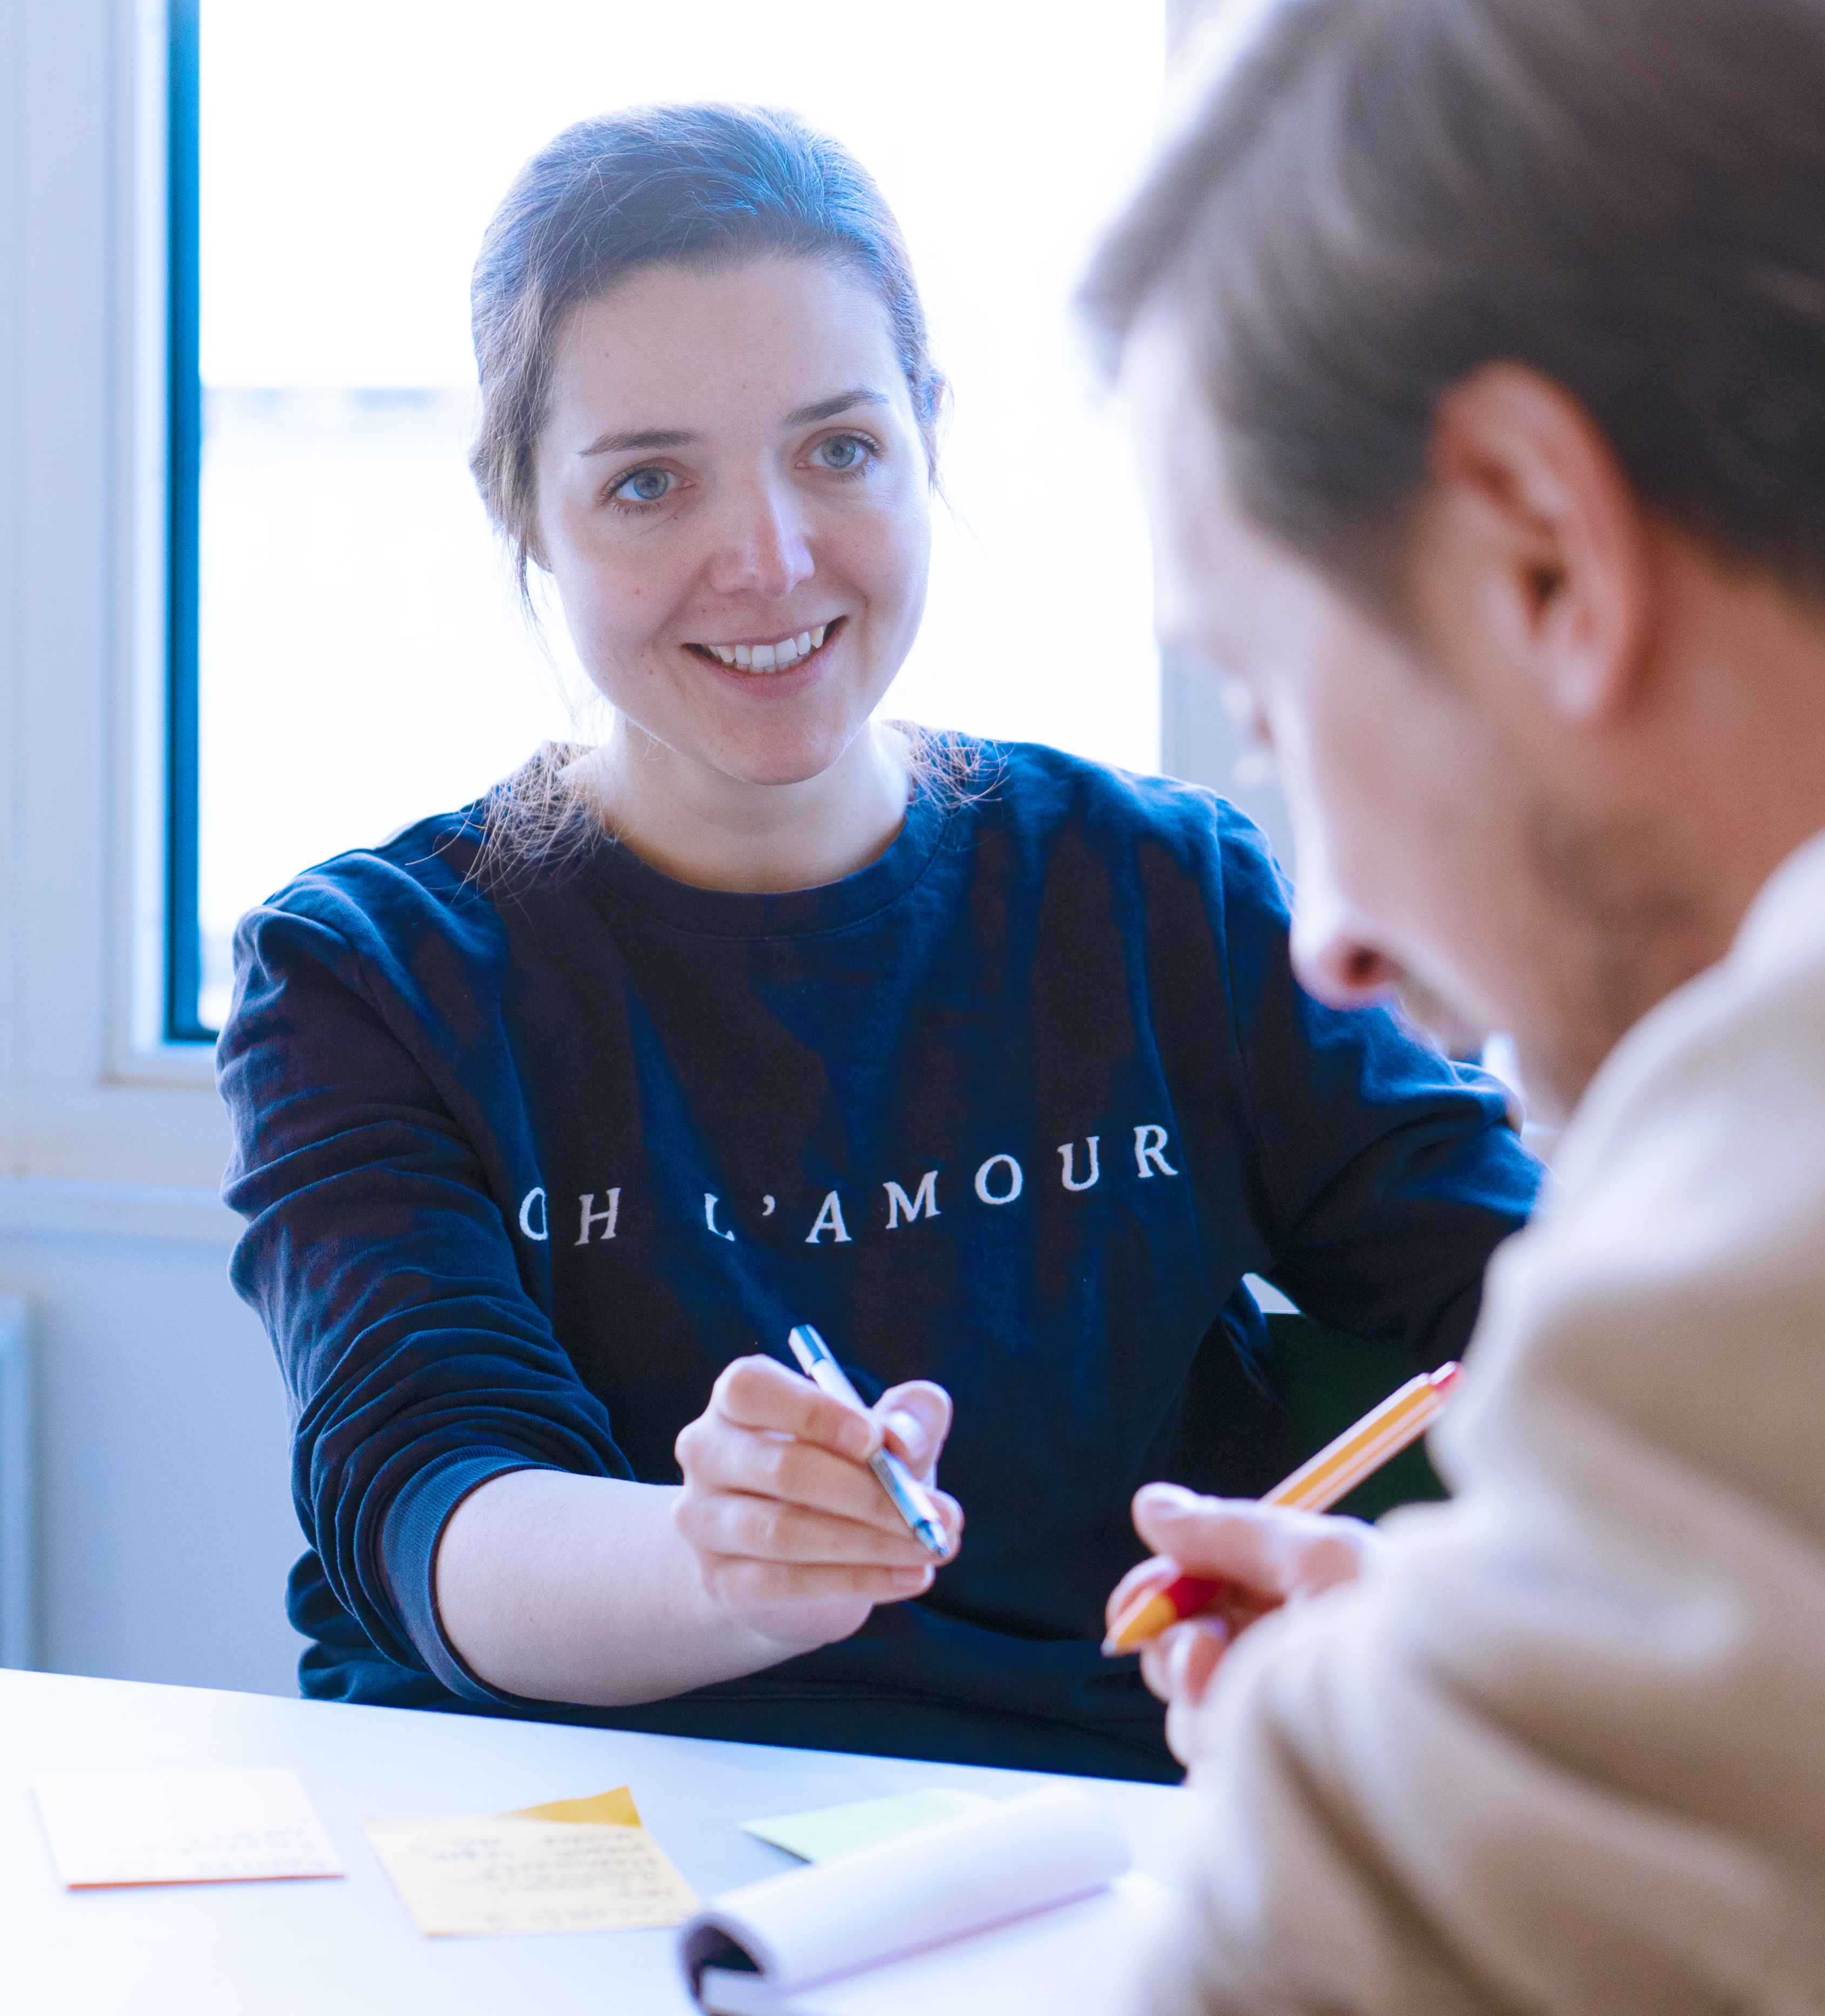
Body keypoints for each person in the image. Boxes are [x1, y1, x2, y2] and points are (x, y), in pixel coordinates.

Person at [215, 101, 1540, 1781]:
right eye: (647, 484)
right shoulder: (366, 975)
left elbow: (1528, 1296)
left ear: (927, 436)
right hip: (568, 1840)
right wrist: (726, 1569)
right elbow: (434, 1505)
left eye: (837, 450)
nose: (767, 561)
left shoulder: (1161, 899)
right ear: (527, 513)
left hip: (1083, 1840)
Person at [1079, 0, 1825, 2003]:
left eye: (1275, 708)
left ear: (1542, 550)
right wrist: (1524, 1651)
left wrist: (1409, 1733)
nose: (1329, 941)